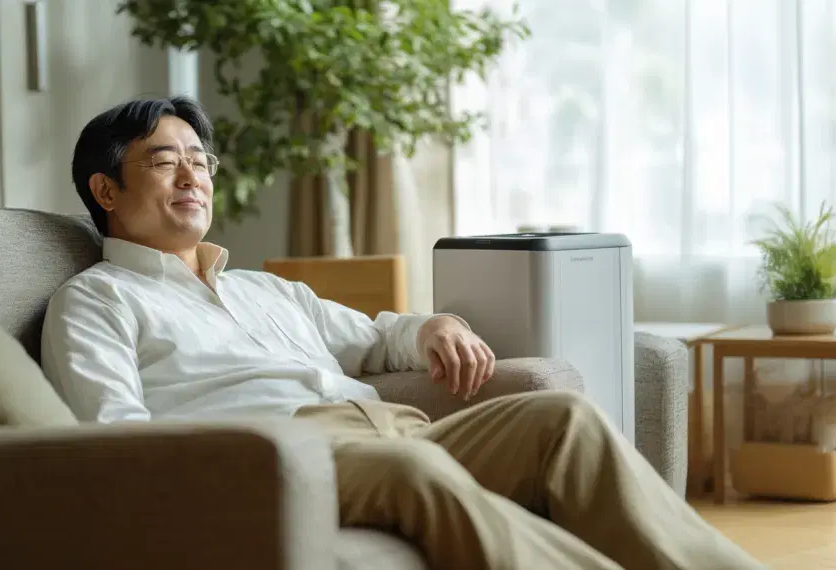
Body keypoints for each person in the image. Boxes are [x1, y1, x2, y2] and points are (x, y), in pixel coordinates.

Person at [41, 97, 763, 570]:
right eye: (165, 162)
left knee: (561, 419)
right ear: (106, 191)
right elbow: (113, 438)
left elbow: (373, 338)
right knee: (420, 474)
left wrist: (431, 327)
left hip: (393, 427)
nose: (191, 176)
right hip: (279, 451)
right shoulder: (97, 301)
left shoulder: (262, 289)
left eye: (200, 161)